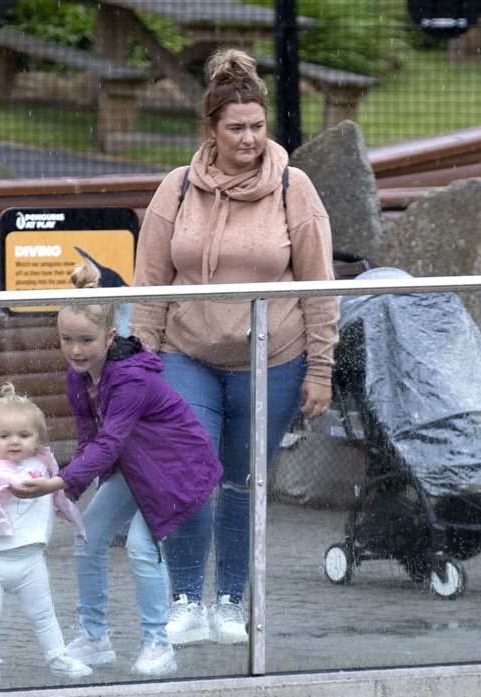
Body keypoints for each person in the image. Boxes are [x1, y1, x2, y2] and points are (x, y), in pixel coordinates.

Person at [132, 48, 338, 647]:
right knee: (192, 474)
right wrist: (140, 366)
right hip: (186, 352)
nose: (248, 138)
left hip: (272, 357)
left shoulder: (294, 190)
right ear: (211, 130)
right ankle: (185, 598)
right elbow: (149, 285)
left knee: (243, 481)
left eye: (257, 127)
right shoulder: (175, 190)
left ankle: (230, 600)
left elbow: (320, 287)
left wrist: (320, 369)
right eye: (235, 128)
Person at [12, 269, 222, 679]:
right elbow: (90, 438)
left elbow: (108, 442)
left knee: (142, 547)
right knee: (88, 535)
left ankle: (158, 643)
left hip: (177, 468)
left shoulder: (130, 380)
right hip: (135, 465)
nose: (75, 350)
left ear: (109, 338)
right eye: (66, 340)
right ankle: (94, 637)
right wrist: (67, 490)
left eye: (86, 340)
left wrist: (59, 482)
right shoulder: (77, 377)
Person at [0, 383, 92, 682]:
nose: (13, 442)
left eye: (24, 435)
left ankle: (58, 655)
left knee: (43, 613)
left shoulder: (43, 464)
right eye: (4, 436)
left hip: (31, 558)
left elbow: (59, 493)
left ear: (38, 438)